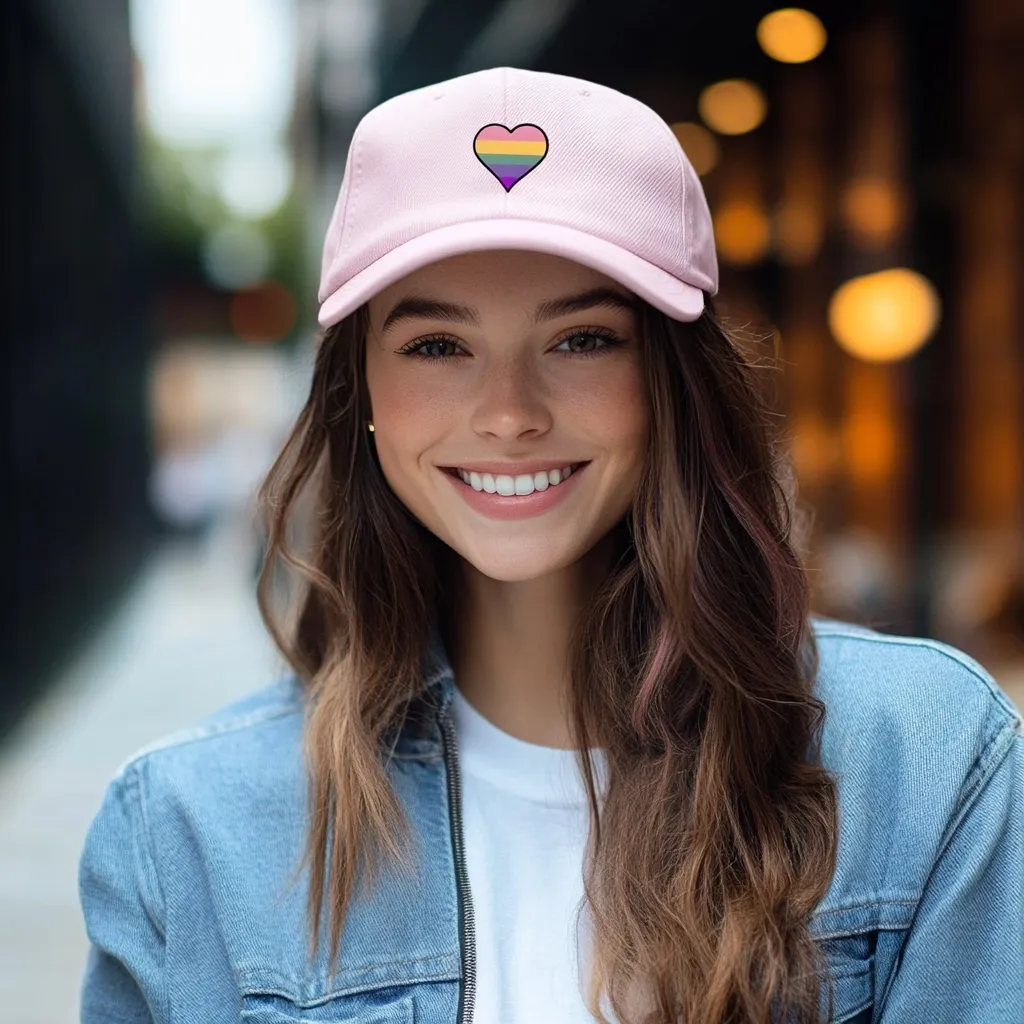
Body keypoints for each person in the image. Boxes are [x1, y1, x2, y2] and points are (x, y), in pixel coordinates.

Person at [78, 67, 1024, 1024]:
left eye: (582, 340)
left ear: (671, 380)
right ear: (359, 392)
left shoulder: (927, 763)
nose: (509, 415)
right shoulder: (189, 832)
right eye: (437, 347)